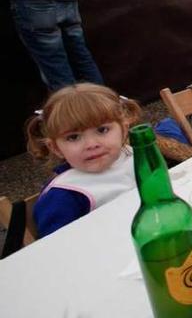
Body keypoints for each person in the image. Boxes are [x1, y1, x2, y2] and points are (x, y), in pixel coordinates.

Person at [25, 83, 142, 237]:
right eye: (73, 137)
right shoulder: (64, 197)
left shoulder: (134, 156)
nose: (91, 144)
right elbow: (55, 250)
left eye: (102, 130)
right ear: (56, 148)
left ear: (124, 129)